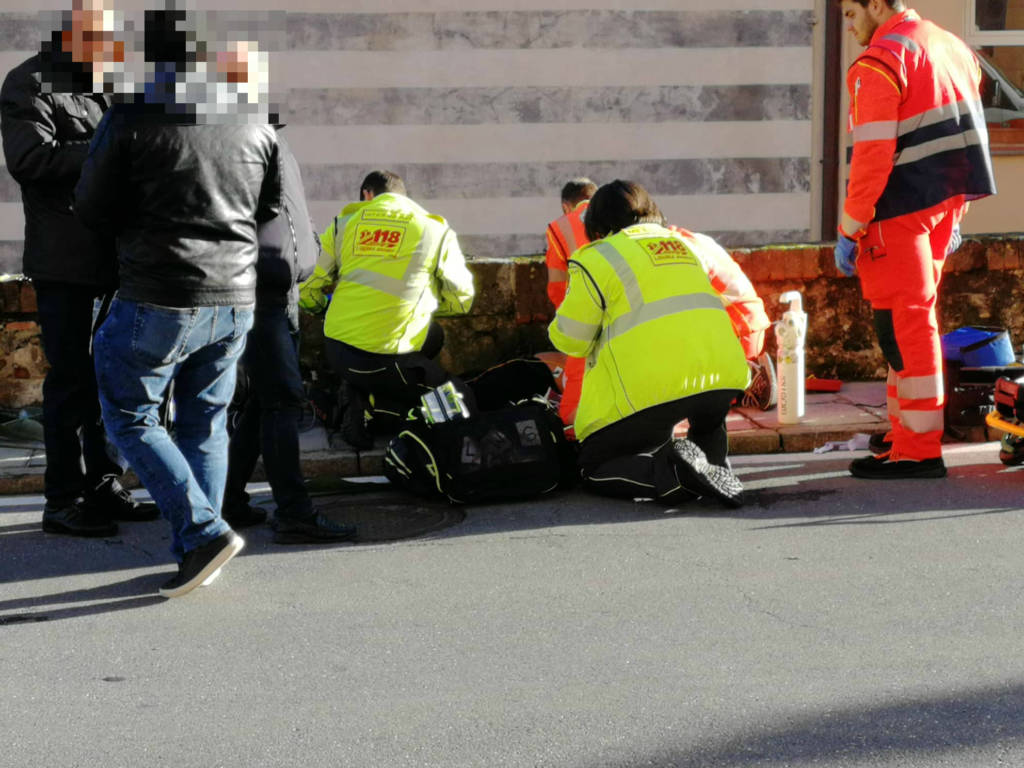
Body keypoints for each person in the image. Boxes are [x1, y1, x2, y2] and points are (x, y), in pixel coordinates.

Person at [74, 10, 281, 597]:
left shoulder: (131, 112)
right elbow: (268, 208)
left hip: (159, 293)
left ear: (152, 55)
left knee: (130, 417)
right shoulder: (253, 117)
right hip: (235, 296)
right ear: (205, 55)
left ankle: (202, 534)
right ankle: (201, 548)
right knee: (205, 421)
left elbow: (90, 205)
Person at [0, 0, 156, 537]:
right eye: (104, 42)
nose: (114, 52)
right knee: (70, 384)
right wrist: (108, 148)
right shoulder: (29, 84)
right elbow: (31, 161)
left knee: (109, 379)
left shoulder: (104, 84)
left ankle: (105, 484)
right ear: (74, 37)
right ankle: (62, 500)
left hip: (114, 260)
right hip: (64, 262)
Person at [835, 0, 996, 479]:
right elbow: (966, 132)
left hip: (898, 209)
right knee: (912, 321)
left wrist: (849, 227)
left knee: (904, 328)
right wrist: (958, 210)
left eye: (851, 13)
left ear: (877, 5)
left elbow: (871, 157)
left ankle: (919, 449)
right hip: (942, 205)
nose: (850, 26)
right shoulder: (951, 47)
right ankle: (903, 434)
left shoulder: (880, 61)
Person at [548, 180, 749, 507]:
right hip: (723, 378)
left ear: (597, 228)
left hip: (652, 392)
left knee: (592, 466)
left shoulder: (597, 256)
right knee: (707, 418)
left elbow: (572, 339)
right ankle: (712, 464)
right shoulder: (686, 245)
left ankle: (675, 476)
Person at [222, 128, 356, 544]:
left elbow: (291, 211)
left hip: (283, 287)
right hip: (259, 289)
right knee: (282, 399)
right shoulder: (236, 139)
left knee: (265, 400)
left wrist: (308, 244)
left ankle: (228, 501)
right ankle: (294, 513)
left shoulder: (274, 140)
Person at [298, 170, 475, 441]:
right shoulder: (435, 230)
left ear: (367, 194)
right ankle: (381, 410)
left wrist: (322, 309)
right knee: (462, 403)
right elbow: (462, 298)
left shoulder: (343, 224)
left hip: (339, 353)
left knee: (433, 336)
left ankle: (356, 393)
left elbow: (306, 287)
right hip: (390, 361)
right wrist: (426, 307)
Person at [544, 178, 595, 431]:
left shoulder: (560, 227)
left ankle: (573, 431)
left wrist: (567, 324)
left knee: (577, 380)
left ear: (566, 206)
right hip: (627, 309)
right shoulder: (620, 217)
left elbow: (557, 285)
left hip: (585, 315)